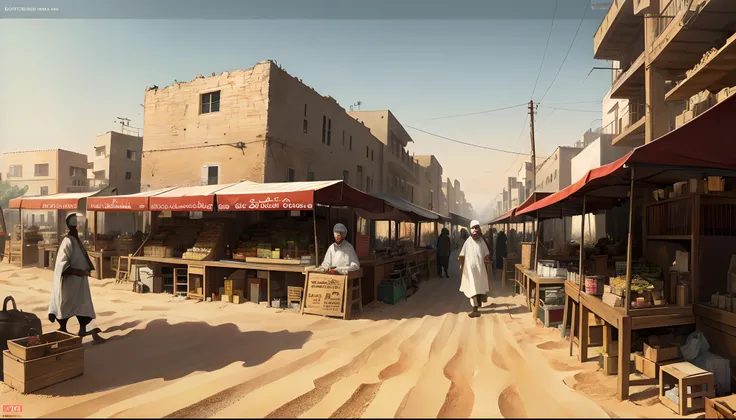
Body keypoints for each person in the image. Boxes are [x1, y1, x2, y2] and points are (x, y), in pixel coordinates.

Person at [48, 213, 105, 343]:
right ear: (71, 227)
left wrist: (83, 271)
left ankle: (83, 328)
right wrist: (77, 271)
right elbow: (61, 265)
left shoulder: (75, 240)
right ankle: (63, 329)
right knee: (65, 304)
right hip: (69, 282)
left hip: (80, 281)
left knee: (83, 305)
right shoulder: (67, 241)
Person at [458, 220, 491, 318]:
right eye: (474, 228)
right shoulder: (470, 241)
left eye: (477, 228)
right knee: (475, 287)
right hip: (472, 269)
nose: (475, 231)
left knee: (475, 288)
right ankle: (476, 307)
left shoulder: (480, 241)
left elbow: (486, 254)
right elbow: (462, 255)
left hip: (477, 269)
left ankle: (475, 309)